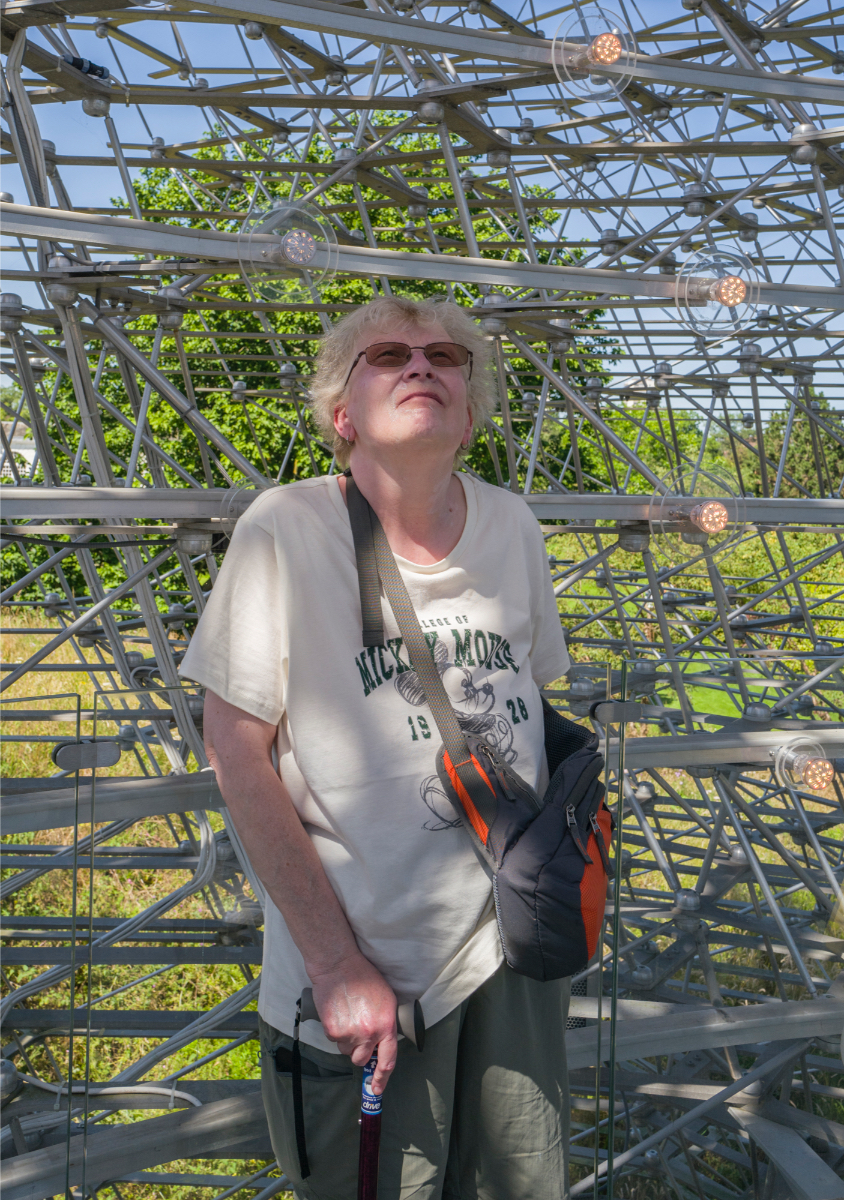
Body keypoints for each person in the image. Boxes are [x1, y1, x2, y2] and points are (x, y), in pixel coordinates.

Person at [181, 295, 573, 1200]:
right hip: (367, 981)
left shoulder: (513, 527)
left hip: (508, 956)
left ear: (470, 412)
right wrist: (332, 962)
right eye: (387, 354)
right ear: (342, 415)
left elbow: (532, 702)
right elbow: (236, 750)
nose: (422, 366)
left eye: (446, 356)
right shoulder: (286, 529)